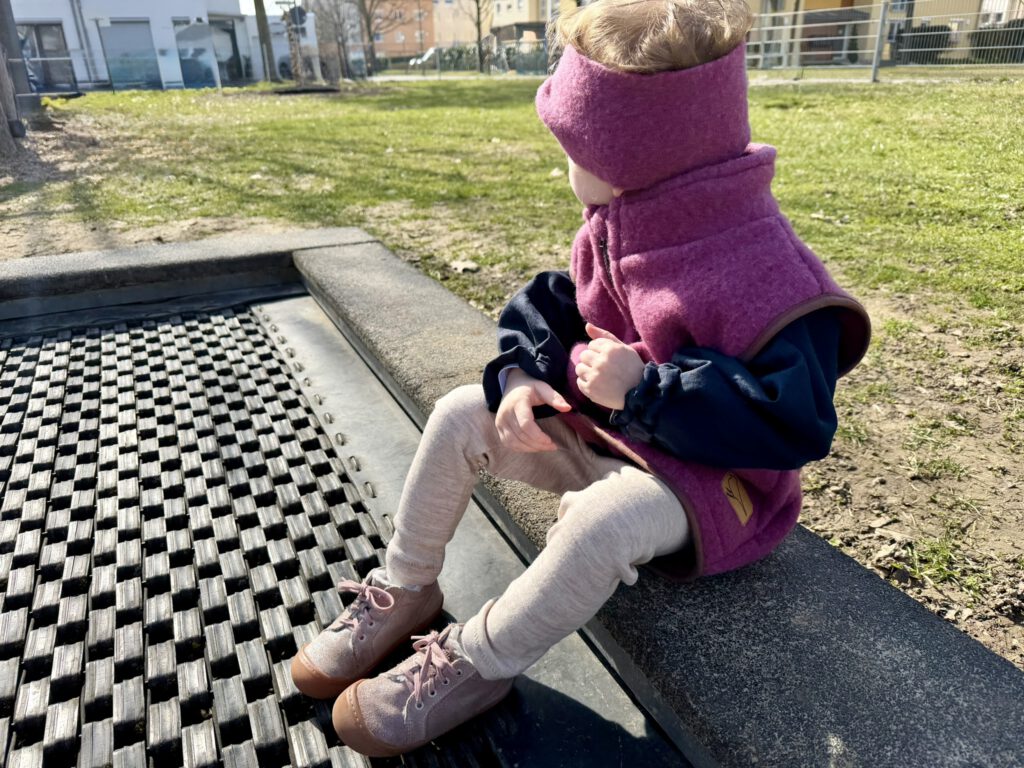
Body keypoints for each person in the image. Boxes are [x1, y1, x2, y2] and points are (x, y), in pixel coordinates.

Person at [290, 0, 871, 756]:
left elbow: (795, 424)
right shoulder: (629, 219)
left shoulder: (768, 272)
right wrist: (524, 376)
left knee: (601, 525)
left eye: (574, 146)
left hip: (705, 488)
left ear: (636, 154)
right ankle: (404, 588)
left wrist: (647, 391)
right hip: (608, 438)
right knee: (464, 411)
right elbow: (555, 305)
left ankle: (478, 660)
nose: (563, 163)